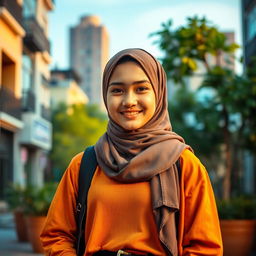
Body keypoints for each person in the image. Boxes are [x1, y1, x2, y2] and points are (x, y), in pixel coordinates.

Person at [40, 48, 223, 256]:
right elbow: (56, 236)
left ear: (159, 93)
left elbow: (205, 248)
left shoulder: (185, 165)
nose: (129, 101)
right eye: (117, 90)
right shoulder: (84, 164)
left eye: (141, 89)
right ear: (105, 96)